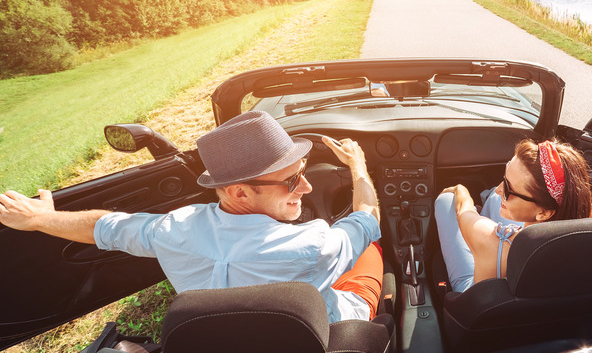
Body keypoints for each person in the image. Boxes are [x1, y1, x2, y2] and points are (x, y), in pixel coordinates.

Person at [0, 111, 383, 323]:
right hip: (330, 330)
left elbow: (105, 227)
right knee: (369, 248)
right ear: (239, 192)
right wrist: (358, 166)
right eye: (292, 180)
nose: (307, 188)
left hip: (231, 349)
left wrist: (40, 220)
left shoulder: (173, 229)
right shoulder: (317, 245)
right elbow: (368, 214)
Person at [435, 139, 592, 293]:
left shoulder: (492, 242)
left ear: (543, 213)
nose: (501, 189)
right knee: (494, 198)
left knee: (447, 201)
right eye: (504, 177)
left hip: (478, 297)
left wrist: (459, 188)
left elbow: (463, 210)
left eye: (509, 189)